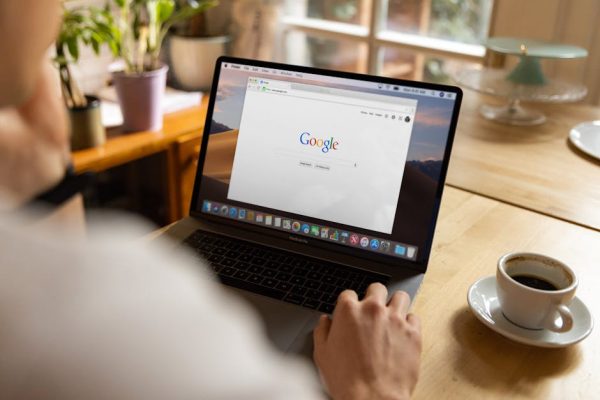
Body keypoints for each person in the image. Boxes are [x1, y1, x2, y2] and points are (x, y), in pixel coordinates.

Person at [0, 1, 422, 399]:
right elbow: (66, 296)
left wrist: (48, 188)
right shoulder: (116, 308)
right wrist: (376, 387)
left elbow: (56, 275)